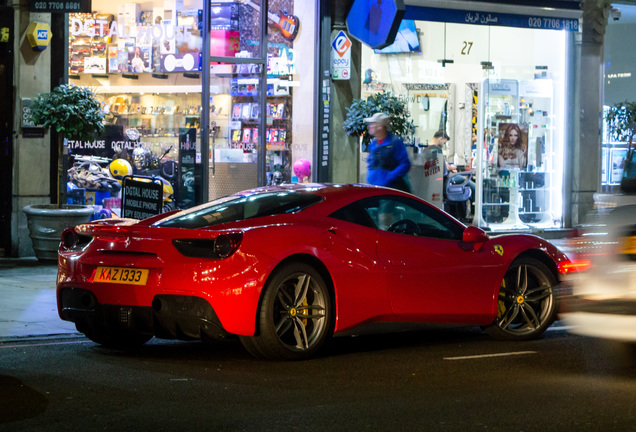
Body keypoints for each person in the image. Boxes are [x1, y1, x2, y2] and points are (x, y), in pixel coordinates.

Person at [365, 112, 411, 193]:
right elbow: (370, 164)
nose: (369, 126)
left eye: (372, 123)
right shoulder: (373, 144)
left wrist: (388, 178)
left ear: (380, 126)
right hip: (375, 189)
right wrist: (371, 177)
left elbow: (405, 164)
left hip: (390, 191)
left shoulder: (395, 142)